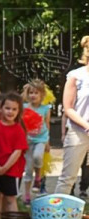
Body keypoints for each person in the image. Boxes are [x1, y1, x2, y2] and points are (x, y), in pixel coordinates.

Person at [54, 36, 89, 196]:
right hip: (78, 132)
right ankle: (57, 217)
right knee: (68, 178)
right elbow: (68, 108)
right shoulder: (76, 75)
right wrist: (86, 125)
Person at [0, 92, 27, 219]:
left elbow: (17, 152)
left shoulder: (18, 129)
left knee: (10, 198)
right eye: (7, 108)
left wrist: (5, 167)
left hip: (12, 169)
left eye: (14, 109)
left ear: (19, 111)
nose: (10, 112)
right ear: (1, 108)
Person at [23, 79, 52, 201]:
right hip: (28, 140)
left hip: (41, 139)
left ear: (42, 95)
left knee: (37, 156)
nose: (33, 95)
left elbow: (47, 124)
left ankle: (38, 177)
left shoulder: (45, 108)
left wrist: (48, 142)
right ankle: (27, 195)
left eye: (36, 93)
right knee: (28, 168)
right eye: (31, 92)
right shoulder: (24, 107)